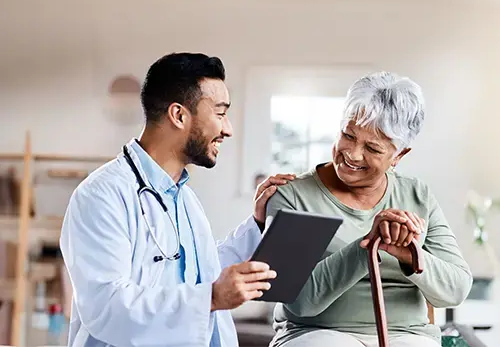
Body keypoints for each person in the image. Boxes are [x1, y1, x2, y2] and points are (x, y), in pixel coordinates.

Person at [59, 52, 295, 347]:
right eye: (220, 114)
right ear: (179, 115)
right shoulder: (102, 196)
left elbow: (203, 271)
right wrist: (210, 297)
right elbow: (107, 307)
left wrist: (258, 224)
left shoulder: (184, 196)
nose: (228, 129)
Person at [265, 71, 473, 347]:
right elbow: (299, 302)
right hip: (315, 333)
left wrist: (410, 255)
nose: (352, 154)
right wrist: (367, 246)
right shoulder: (295, 195)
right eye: (348, 135)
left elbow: (456, 289)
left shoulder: (417, 195)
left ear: (399, 155)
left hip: (407, 335)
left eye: (372, 148)